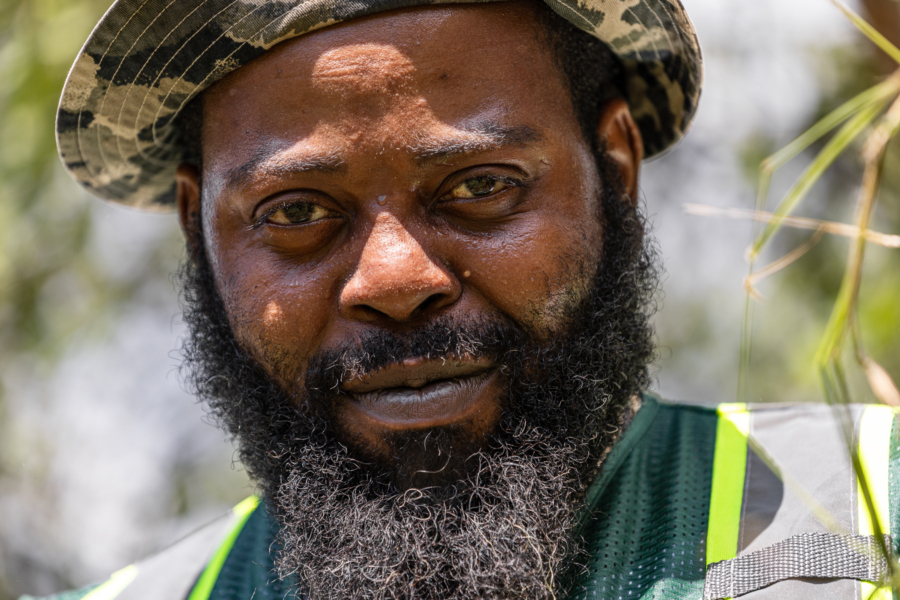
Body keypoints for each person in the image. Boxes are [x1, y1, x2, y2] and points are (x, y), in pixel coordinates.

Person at [44, 0, 899, 598]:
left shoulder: (875, 517)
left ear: (616, 167)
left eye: (481, 185)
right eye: (296, 213)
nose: (394, 279)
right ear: (198, 227)